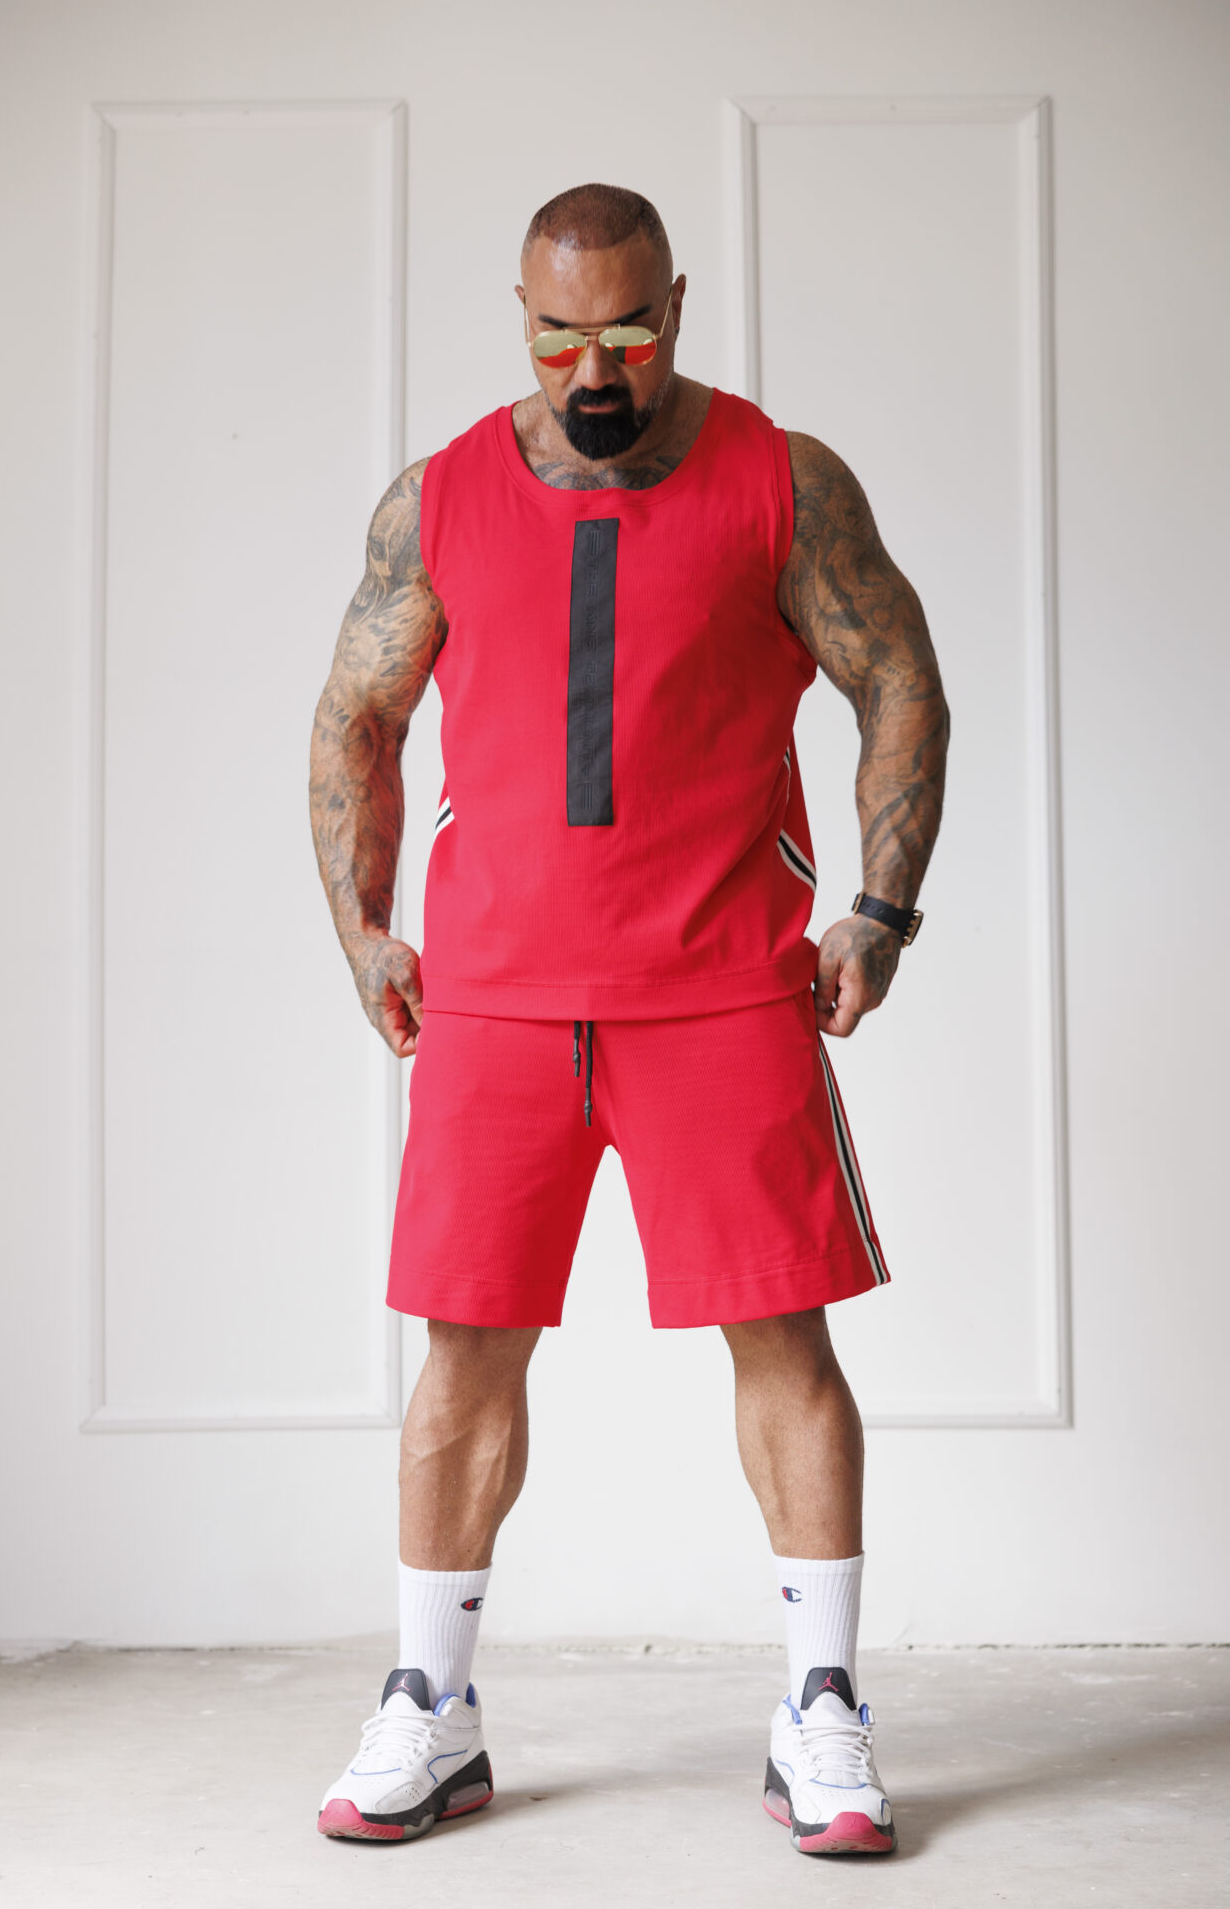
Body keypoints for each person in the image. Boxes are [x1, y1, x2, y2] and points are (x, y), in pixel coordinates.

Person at [307, 182, 949, 1860]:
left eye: (631, 330)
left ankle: (821, 1709)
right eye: (560, 336)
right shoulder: (438, 497)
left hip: (721, 984)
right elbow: (360, 708)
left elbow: (897, 672)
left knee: (786, 1340)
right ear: (519, 317)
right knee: (464, 1350)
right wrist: (362, 929)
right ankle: (432, 1707)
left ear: (679, 303)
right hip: (498, 999)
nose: (597, 369)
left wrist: (880, 909)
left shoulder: (782, 480)